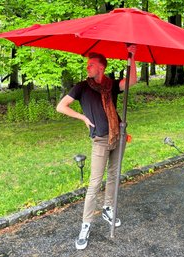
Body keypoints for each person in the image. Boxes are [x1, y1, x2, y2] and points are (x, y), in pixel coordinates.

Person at [56, 45, 137, 250]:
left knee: (114, 175)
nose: (88, 68)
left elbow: (132, 81)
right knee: (94, 184)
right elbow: (61, 106)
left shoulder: (111, 85)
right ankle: (86, 224)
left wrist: (132, 56)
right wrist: (82, 116)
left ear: (101, 67)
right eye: (88, 65)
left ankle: (108, 208)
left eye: (91, 65)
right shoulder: (82, 87)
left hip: (117, 136)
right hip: (100, 140)